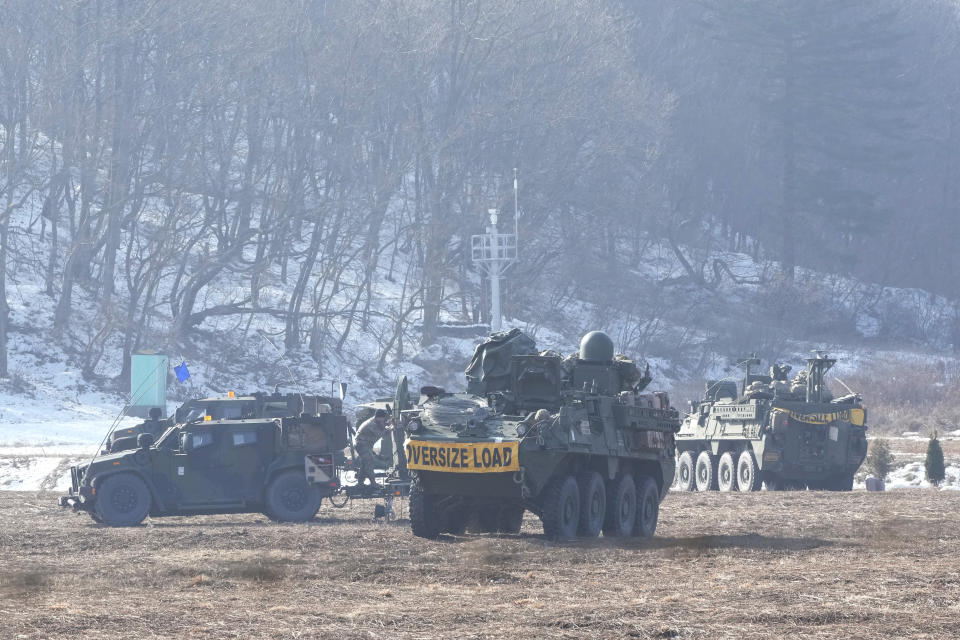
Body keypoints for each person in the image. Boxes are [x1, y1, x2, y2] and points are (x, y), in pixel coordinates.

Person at [354, 408, 392, 487]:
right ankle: (373, 483)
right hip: (361, 444)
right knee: (369, 462)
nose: (384, 420)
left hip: (365, 444)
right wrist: (390, 428)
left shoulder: (376, 421)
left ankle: (360, 482)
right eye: (383, 418)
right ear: (379, 417)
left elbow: (381, 427)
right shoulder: (372, 424)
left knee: (364, 463)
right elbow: (380, 434)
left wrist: (386, 424)